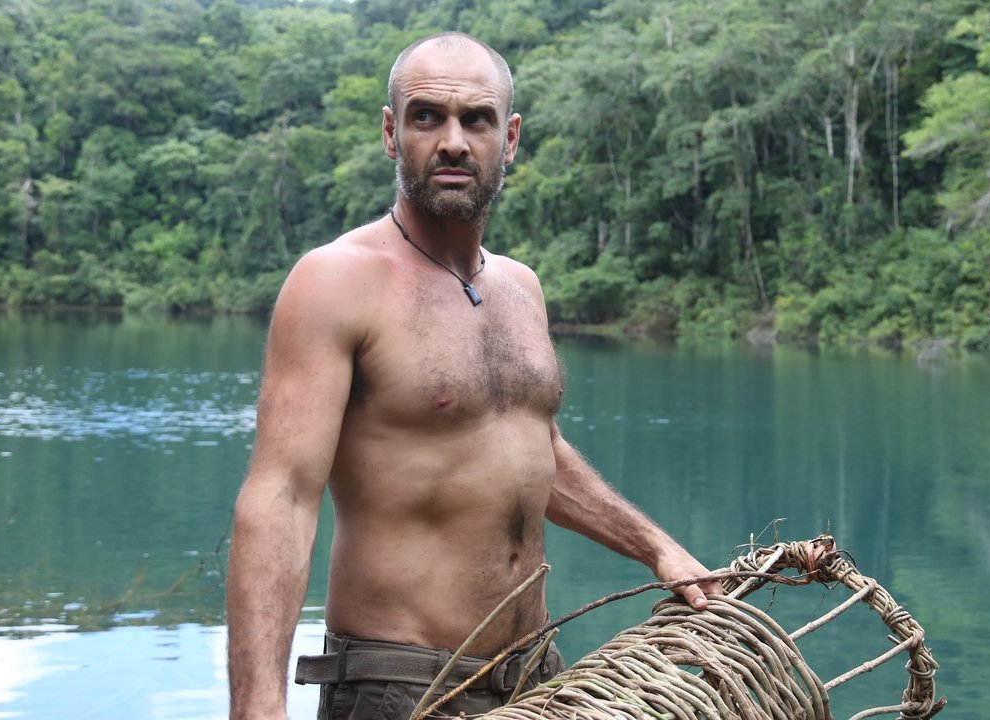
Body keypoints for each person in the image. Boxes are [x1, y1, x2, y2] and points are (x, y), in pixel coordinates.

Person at [226, 32, 721, 720]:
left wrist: (658, 550)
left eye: (476, 120)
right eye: (427, 117)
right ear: (391, 133)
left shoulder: (521, 287)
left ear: (509, 138)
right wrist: (257, 706)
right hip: (402, 687)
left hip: (539, 679)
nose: (453, 142)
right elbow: (280, 498)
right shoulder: (335, 281)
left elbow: (536, 451)